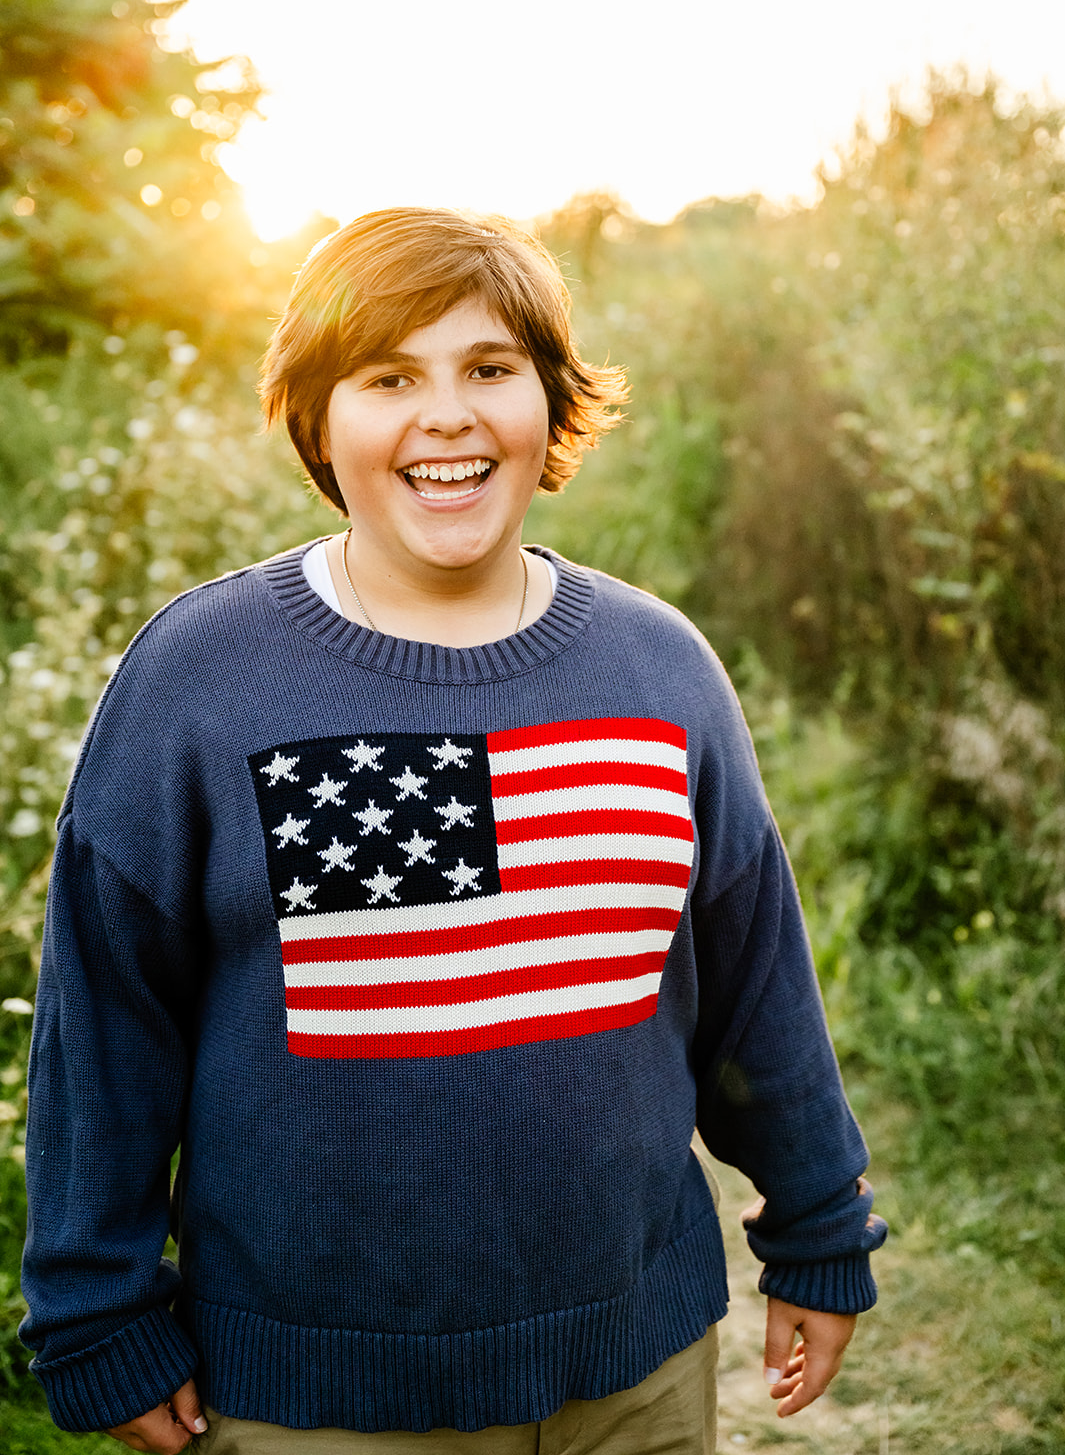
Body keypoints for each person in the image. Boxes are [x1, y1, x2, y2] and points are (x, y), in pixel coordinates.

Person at [20, 207, 886, 1454]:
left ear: (550, 403)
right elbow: (103, 1023)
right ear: (320, 418)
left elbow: (756, 983)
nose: (447, 416)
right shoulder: (201, 680)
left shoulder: (659, 670)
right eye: (388, 378)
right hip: (313, 1397)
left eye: (489, 369)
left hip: (633, 1367)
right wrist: (97, 1309)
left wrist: (815, 1220)